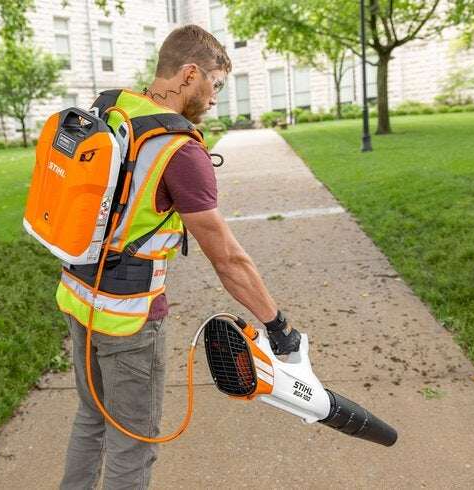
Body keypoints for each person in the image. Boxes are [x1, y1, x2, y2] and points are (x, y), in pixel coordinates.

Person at [59, 24, 301, 490]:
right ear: (190, 74)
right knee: (133, 441)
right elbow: (228, 259)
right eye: (216, 83)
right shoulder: (179, 150)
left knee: (91, 420)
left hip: (79, 298)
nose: (215, 98)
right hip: (129, 320)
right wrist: (277, 327)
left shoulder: (112, 108)